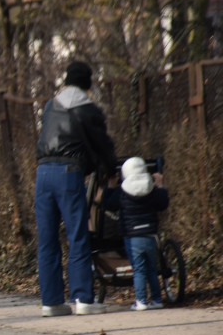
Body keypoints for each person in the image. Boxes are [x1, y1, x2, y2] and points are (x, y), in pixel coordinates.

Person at [34, 61, 116, 317]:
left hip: (42, 173)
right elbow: (102, 145)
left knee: (47, 240)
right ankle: (82, 299)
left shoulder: (50, 104)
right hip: (69, 175)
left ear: (67, 80)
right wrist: (110, 168)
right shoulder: (88, 109)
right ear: (87, 83)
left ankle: (51, 302)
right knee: (77, 237)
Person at [103, 157, 170, 310]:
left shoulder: (122, 192)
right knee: (152, 268)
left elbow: (109, 205)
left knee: (139, 269)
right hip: (150, 235)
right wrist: (160, 185)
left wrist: (111, 186)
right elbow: (163, 203)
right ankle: (157, 299)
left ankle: (141, 300)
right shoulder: (151, 188)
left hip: (132, 237)